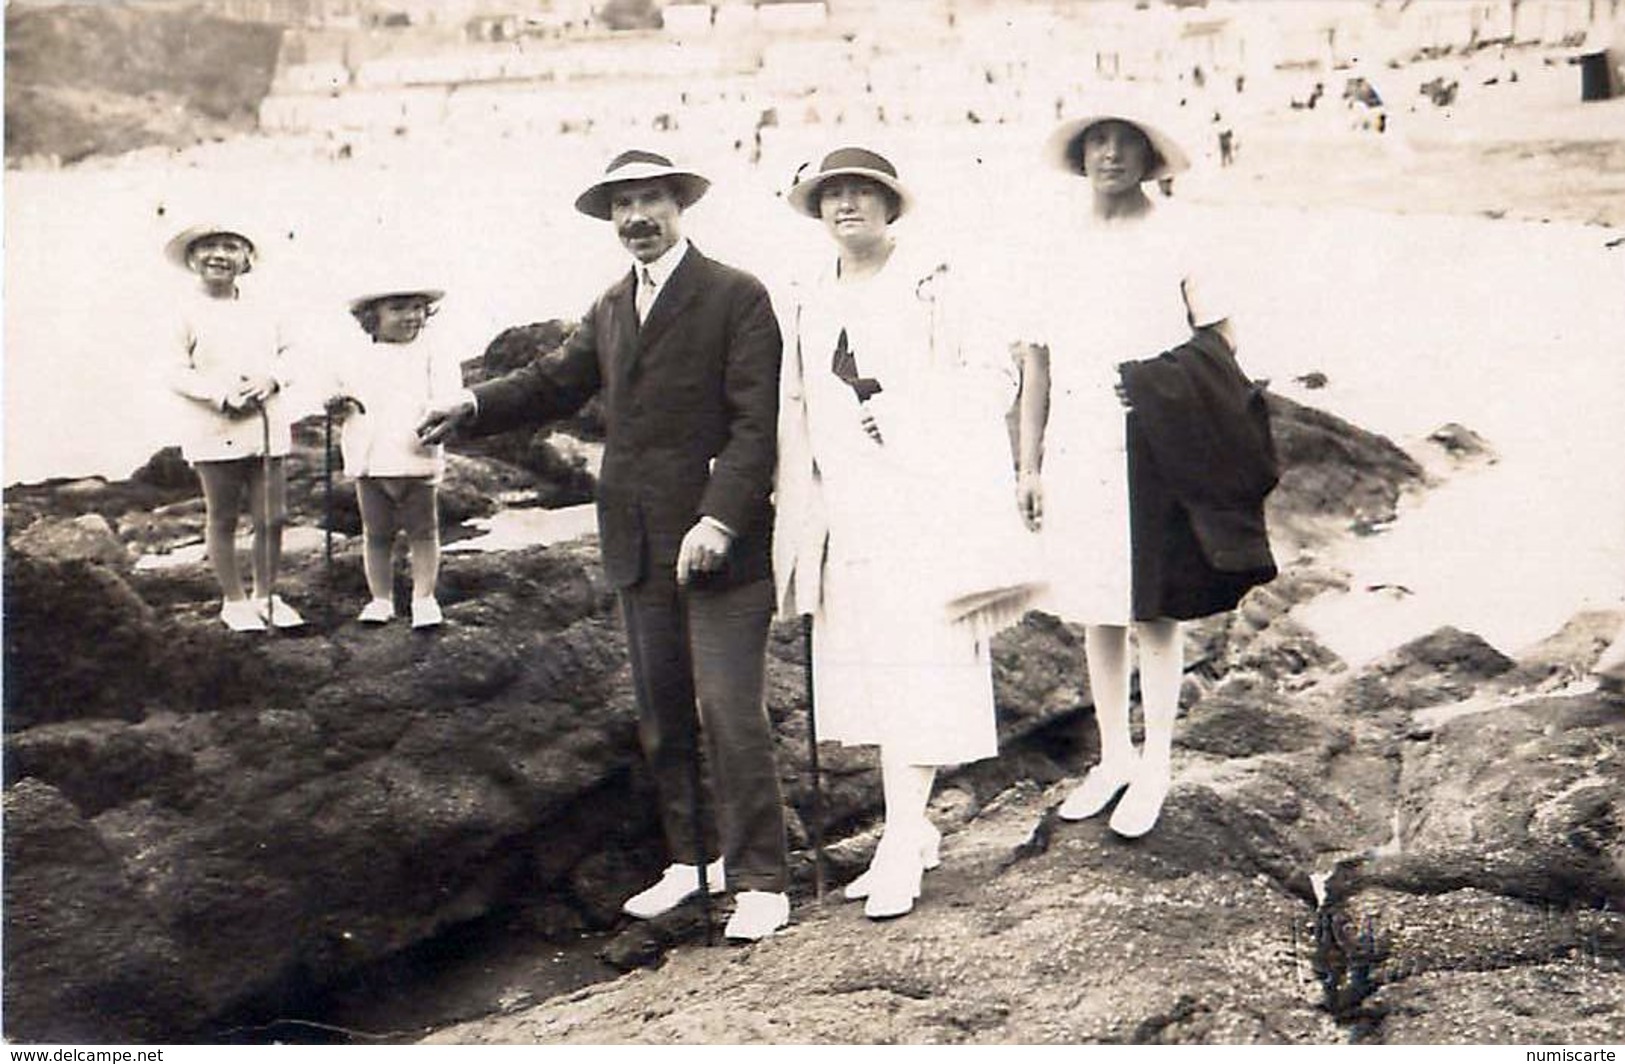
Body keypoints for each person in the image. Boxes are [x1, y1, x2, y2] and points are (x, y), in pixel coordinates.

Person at [417, 150, 792, 941]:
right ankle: (692, 863)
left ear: (679, 206)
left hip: (722, 541)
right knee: (661, 713)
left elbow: (759, 424)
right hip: (634, 535)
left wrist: (720, 519)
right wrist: (471, 405)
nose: (637, 220)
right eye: (623, 207)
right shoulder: (612, 304)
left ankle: (760, 876)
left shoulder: (737, 294)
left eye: (651, 201)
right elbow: (554, 380)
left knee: (729, 710)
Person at [775, 147, 1039, 919]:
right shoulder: (806, 296)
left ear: (892, 208)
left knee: (916, 667)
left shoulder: (935, 284)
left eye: (863, 193)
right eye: (831, 195)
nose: (846, 205)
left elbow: (995, 377)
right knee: (866, 674)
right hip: (844, 509)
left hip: (923, 508)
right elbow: (798, 400)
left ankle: (898, 841)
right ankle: (913, 826)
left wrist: (911, 413)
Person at [1017, 109, 1278, 839]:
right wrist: (1027, 464)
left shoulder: (1177, 234)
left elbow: (1221, 348)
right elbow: (1034, 361)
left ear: (1147, 155)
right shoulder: (1053, 243)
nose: (1110, 154)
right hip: (1075, 437)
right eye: (1097, 141)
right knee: (1094, 604)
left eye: (1125, 142)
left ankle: (1157, 761)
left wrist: (1168, 398)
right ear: (1079, 154)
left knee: (1153, 606)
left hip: (1154, 437)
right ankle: (1113, 756)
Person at [164, 223, 305, 632]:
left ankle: (266, 595)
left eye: (230, 247)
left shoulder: (268, 308)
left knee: (271, 516)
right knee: (223, 516)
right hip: (213, 424)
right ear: (193, 259)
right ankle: (234, 599)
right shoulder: (182, 312)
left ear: (247, 258)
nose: (219, 255)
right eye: (208, 247)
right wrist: (219, 396)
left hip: (265, 423)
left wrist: (272, 379)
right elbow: (172, 370)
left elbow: (294, 353)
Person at [328, 284, 462, 629]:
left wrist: (439, 416)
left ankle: (424, 597)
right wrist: (335, 403)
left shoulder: (434, 352)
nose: (412, 316)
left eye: (418, 307)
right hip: (369, 457)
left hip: (414, 453)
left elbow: (448, 394)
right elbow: (335, 391)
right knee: (376, 533)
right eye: (399, 308)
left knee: (423, 531)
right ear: (373, 316)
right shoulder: (353, 355)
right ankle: (381, 598)